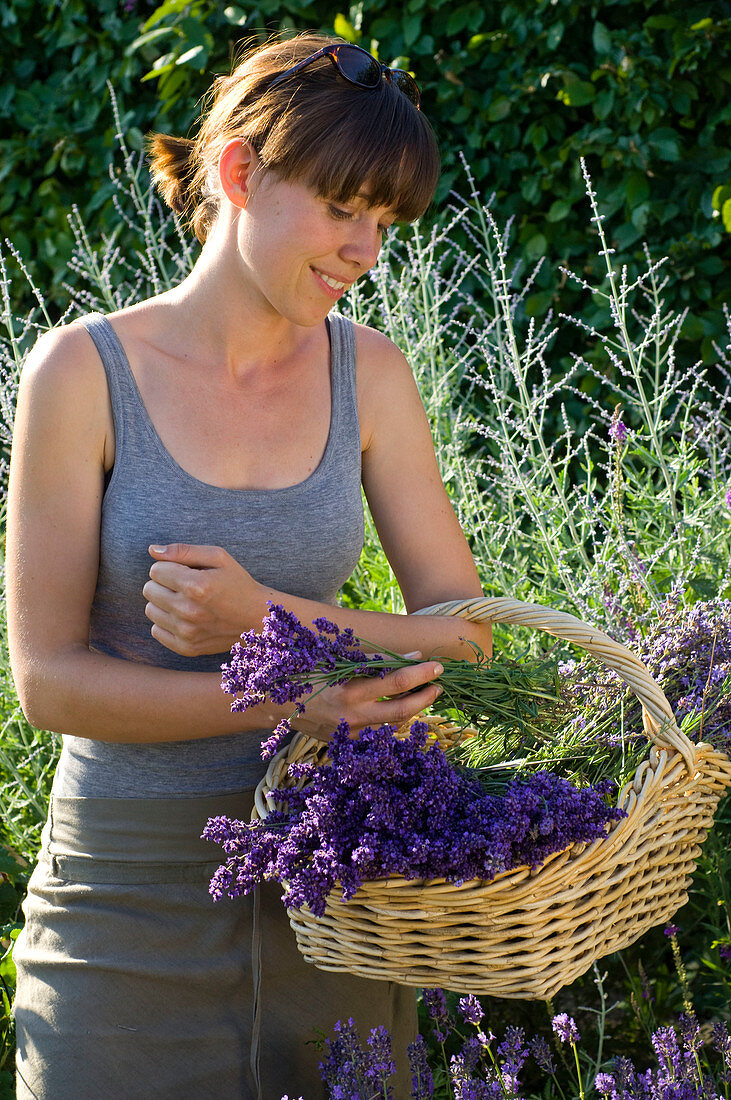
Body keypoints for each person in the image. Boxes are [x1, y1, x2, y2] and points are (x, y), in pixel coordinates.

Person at [7, 31, 493, 1099]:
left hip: (339, 896)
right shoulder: (83, 372)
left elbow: (465, 628)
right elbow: (48, 681)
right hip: (123, 898)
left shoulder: (370, 374)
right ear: (236, 172)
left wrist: (261, 617)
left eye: (384, 220)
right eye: (340, 207)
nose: (365, 246)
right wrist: (292, 696)